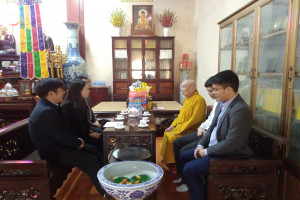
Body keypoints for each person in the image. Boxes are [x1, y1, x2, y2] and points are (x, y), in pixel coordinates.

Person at [179, 70, 254, 200]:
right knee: (184, 155)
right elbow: (212, 127)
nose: (213, 93)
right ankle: (196, 186)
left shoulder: (240, 110)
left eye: (216, 90)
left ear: (229, 89)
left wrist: (206, 152)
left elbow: (232, 143)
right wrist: (201, 144)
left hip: (230, 155)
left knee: (189, 169)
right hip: (215, 146)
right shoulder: (221, 104)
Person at [28, 78, 105, 196]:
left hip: (61, 146)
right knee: (90, 160)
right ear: (51, 93)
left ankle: (106, 181)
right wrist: (78, 143)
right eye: (61, 90)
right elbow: (60, 135)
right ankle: (106, 192)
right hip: (53, 153)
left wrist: (78, 141)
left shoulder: (50, 106)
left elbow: (64, 130)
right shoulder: (45, 112)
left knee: (94, 150)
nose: (64, 92)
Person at [173, 76, 218, 192]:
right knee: (177, 142)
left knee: (183, 151)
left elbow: (195, 120)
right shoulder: (218, 103)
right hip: (204, 131)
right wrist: (202, 127)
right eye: (209, 90)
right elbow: (209, 120)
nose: (210, 93)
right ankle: (181, 175)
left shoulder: (200, 100)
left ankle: (187, 179)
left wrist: (203, 145)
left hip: (209, 137)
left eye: (213, 90)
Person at [160, 80, 207, 171]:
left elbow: (195, 120)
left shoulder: (199, 100)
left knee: (171, 137)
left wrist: (179, 130)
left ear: (192, 88)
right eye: (182, 87)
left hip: (191, 129)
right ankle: (169, 160)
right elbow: (180, 116)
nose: (182, 90)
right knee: (167, 133)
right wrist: (173, 126)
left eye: (184, 87)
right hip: (182, 127)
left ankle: (175, 162)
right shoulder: (187, 99)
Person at [62, 79, 103, 153]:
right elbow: (74, 128)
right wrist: (90, 135)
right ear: (79, 90)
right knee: (99, 140)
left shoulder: (81, 101)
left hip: (84, 131)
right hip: (77, 137)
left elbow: (84, 120)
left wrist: (89, 130)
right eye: (87, 89)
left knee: (103, 133)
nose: (89, 91)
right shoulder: (68, 106)